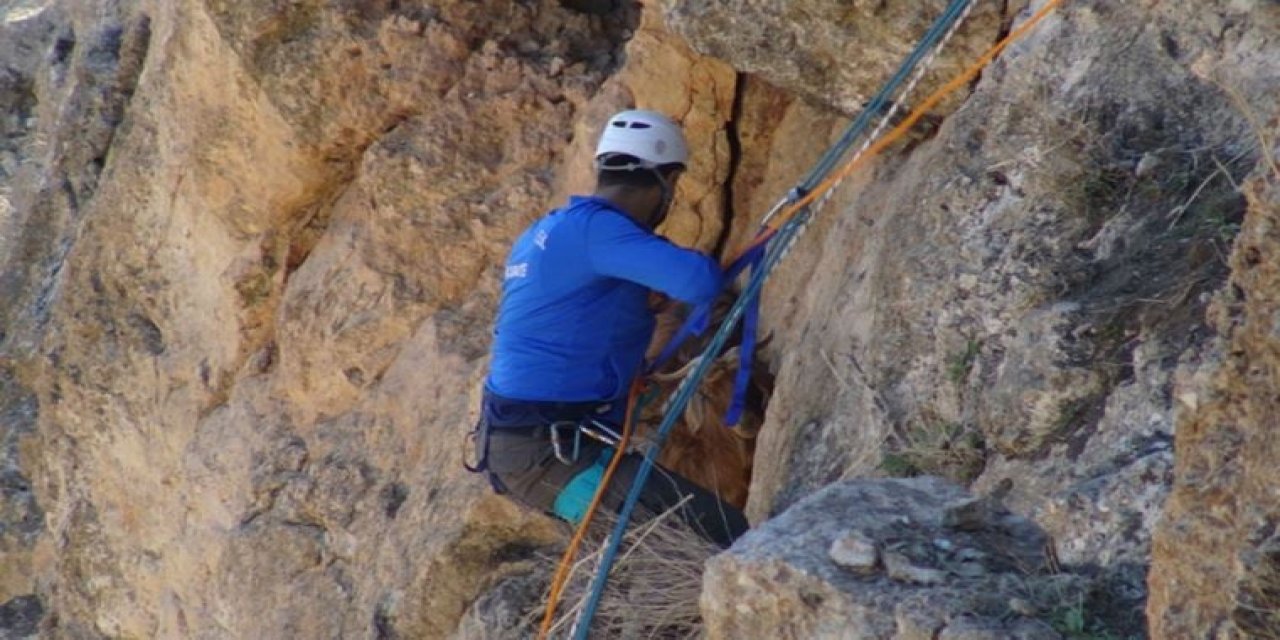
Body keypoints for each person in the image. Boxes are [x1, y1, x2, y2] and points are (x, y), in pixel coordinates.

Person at [466, 109, 749, 547]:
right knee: (727, 538)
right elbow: (699, 280)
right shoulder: (598, 231)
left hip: (533, 446)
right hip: (552, 455)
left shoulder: (546, 232)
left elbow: (578, 323)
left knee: (688, 540)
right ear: (667, 182)